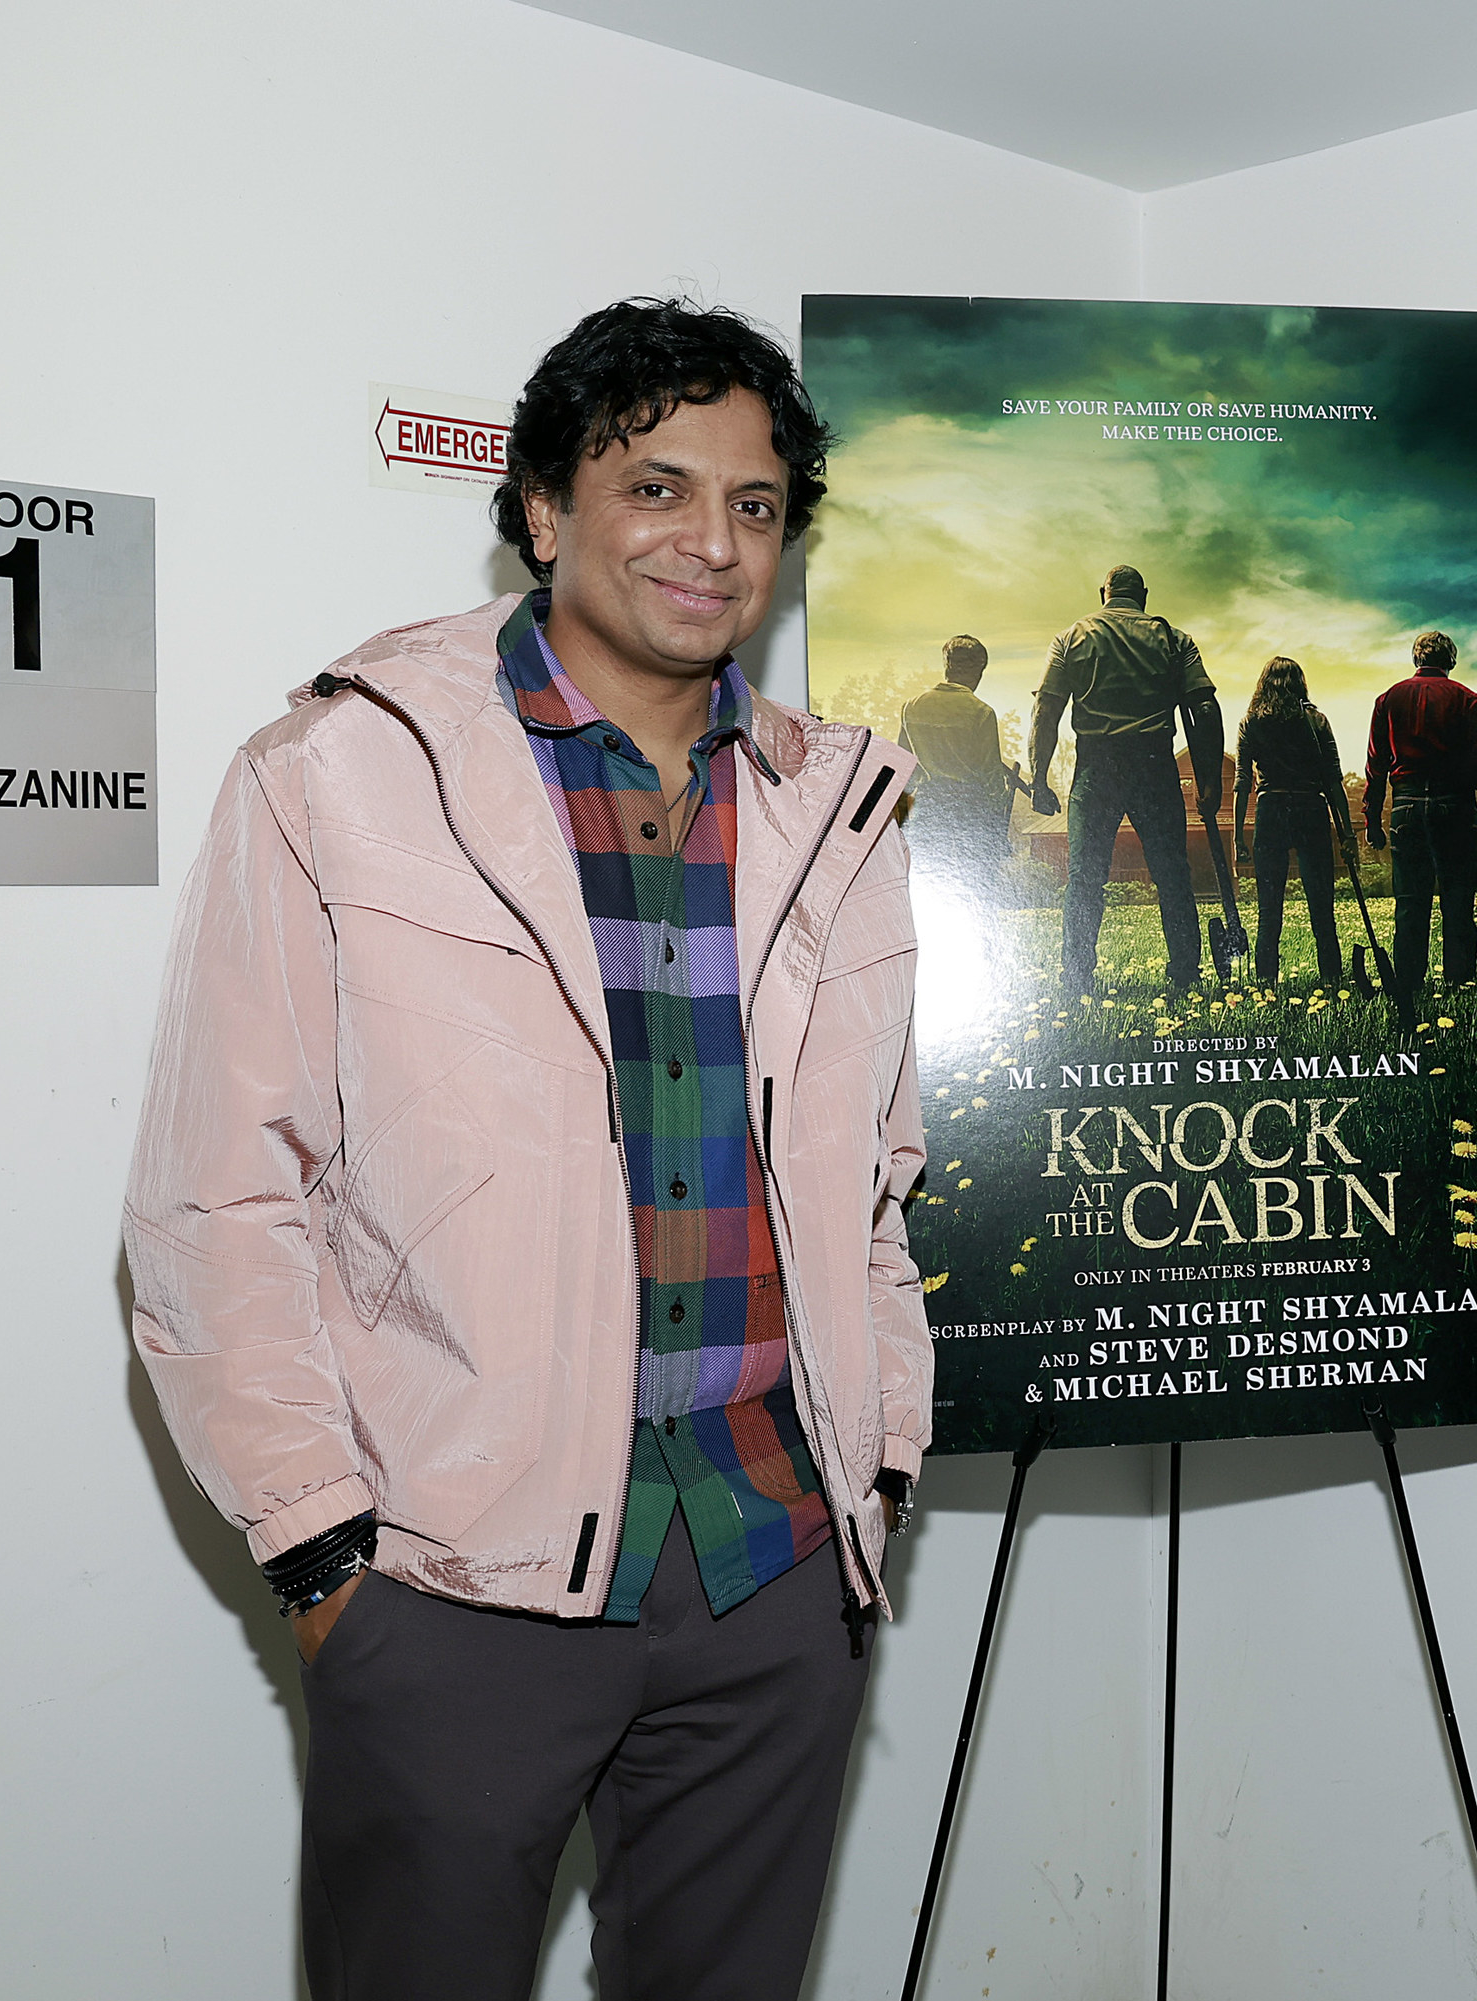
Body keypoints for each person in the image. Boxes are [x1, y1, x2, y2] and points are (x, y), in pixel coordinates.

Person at [123, 298, 932, 2001]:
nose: (715, 543)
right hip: (453, 1585)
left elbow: (873, 1190)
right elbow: (217, 1200)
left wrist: (879, 1471)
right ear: (545, 513)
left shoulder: (834, 807)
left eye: (759, 504)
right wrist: (326, 1555)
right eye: (657, 489)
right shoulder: (342, 773)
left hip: (775, 1574)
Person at [1028, 564, 1227, 995]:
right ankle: (1185, 974)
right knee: (1172, 873)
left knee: (1084, 877)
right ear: (1145, 595)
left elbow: (1046, 710)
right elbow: (1205, 709)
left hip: (1096, 767)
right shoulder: (1175, 640)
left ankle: (1077, 978)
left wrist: (1040, 778)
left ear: (1104, 593)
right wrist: (1211, 779)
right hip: (1154, 765)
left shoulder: (1070, 638)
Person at [1364, 630, 1477, 1004]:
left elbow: (1375, 767)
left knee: (1410, 901)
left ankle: (1409, 983)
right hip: (1454, 807)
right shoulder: (1468, 700)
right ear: (1450, 661)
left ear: (1416, 659)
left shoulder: (1387, 700)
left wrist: (1373, 821)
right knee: (1457, 899)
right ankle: (1459, 984)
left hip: (1406, 806)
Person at [1231, 655, 1355, 986]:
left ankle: (1266, 982)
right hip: (1310, 810)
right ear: (1300, 684)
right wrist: (1348, 835)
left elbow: (1243, 780)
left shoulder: (1251, 722)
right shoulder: (1317, 721)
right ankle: (1332, 979)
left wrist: (1238, 836)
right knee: (1321, 906)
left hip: (1270, 811)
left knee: (1268, 909)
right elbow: (1333, 781)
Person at [897, 633, 1014, 881]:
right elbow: (990, 773)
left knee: (928, 878)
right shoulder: (981, 712)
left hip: (928, 805)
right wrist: (997, 814)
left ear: (947, 665)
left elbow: (905, 768)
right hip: (971, 807)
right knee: (977, 880)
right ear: (979, 670)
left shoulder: (912, 706)